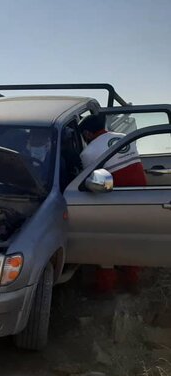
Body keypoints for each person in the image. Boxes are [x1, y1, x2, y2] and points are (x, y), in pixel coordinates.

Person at [78, 114, 147, 294]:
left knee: (105, 242)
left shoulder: (88, 152)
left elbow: (89, 181)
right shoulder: (125, 137)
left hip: (115, 200)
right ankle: (132, 281)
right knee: (133, 240)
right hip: (143, 196)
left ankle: (105, 287)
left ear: (86, 133)